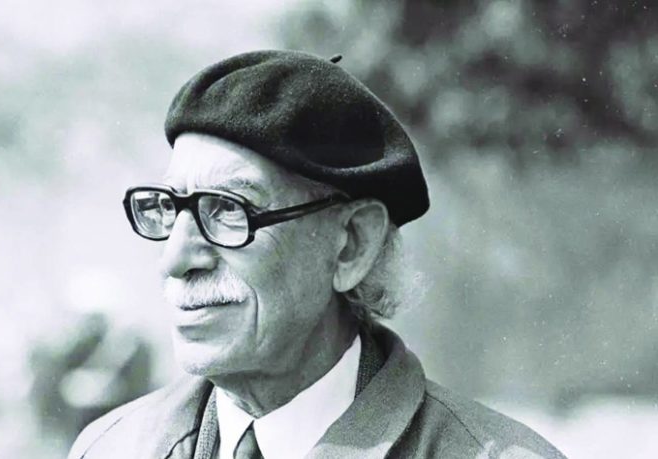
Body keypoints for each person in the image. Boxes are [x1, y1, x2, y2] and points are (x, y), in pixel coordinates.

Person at [68, 50, 566, 459]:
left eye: (228, 209)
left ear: (351, 245)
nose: (175, 261)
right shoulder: (111, 448)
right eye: (168, 208)